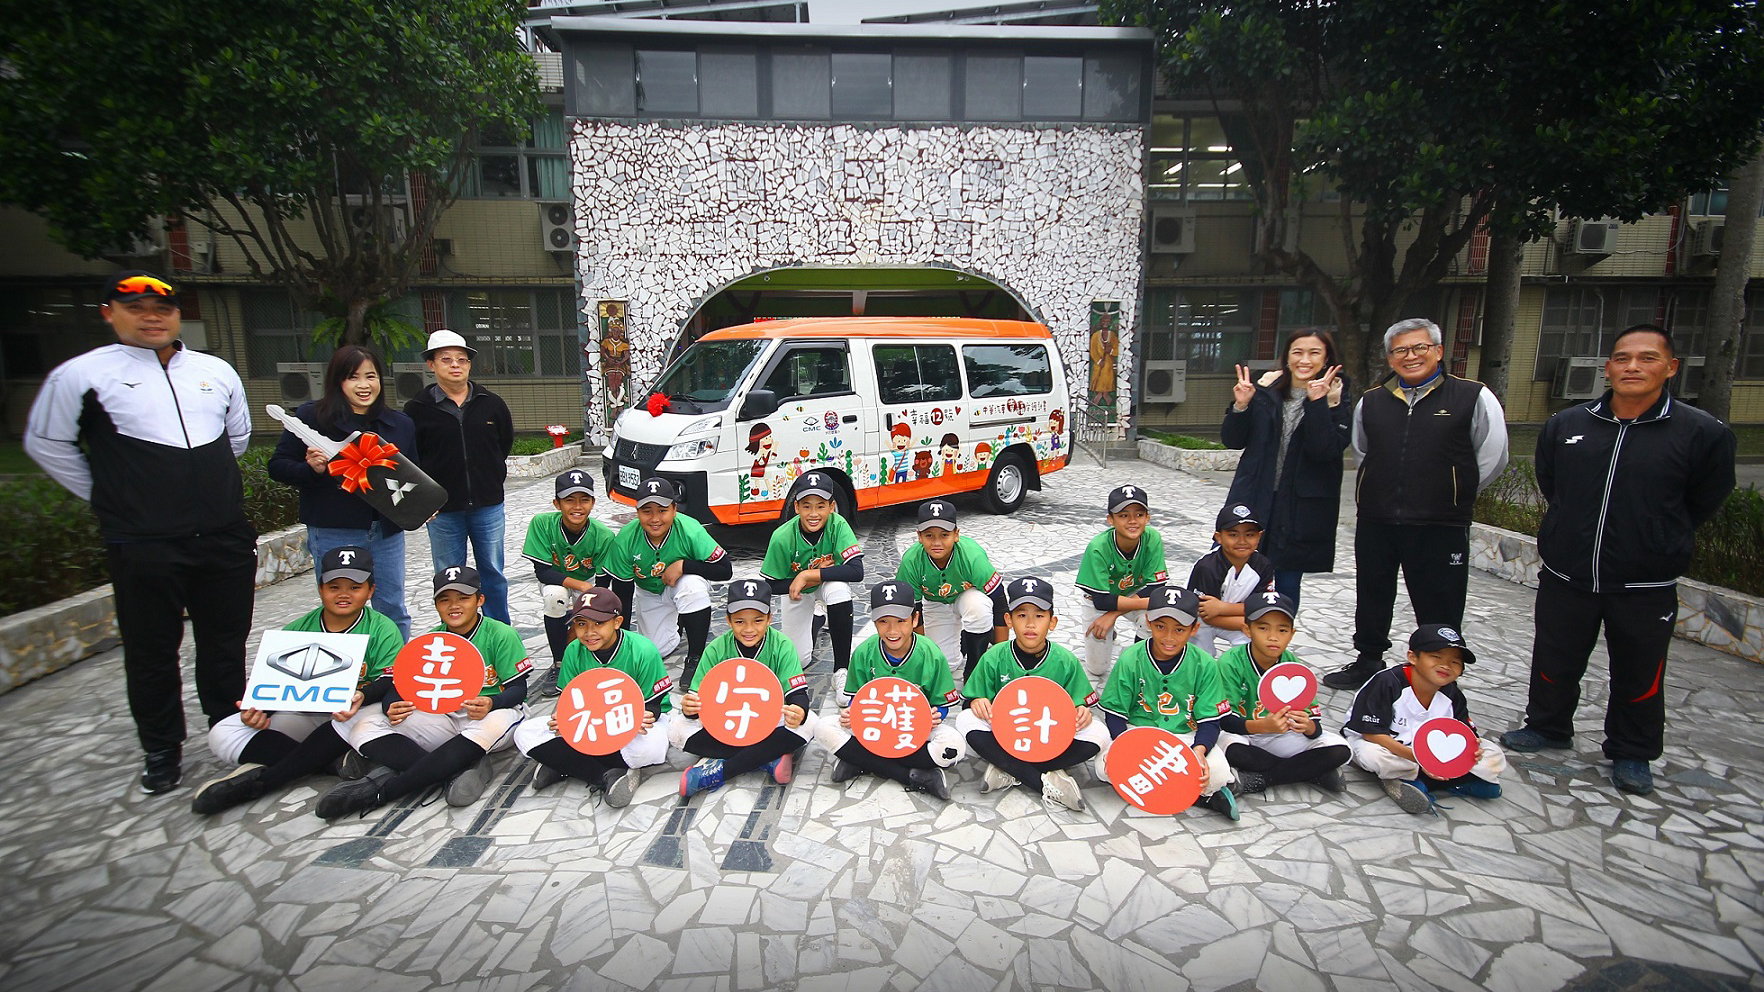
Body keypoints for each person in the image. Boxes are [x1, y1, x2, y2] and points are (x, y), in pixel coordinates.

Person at [25, 270, 255, 795]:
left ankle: (231, 730)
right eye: (136, 306)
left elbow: (236, 437)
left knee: (225, 642)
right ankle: (161, 747)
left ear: (176, 313)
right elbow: (48, 445)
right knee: (152, 649)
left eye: (163, 306)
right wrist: (115, 499)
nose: (152, 316)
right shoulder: (81, 376)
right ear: (109, 311)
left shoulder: (215, 370)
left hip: (223, 536)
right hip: (144, 542)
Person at [1501, 324, 1737, 796]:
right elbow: (1553, 486)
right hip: (1568, 573)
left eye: (1647, 358)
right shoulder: (1568, 425)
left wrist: (1657, 537)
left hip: (1644, 584)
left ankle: (1632, 749)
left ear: (1670, 368)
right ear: (1607, 368)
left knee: (1639, 668)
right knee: (1555, 656)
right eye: (1622, 358)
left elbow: (1704, 499)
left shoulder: (1700, 433)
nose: (1633, 367)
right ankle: (1548, 725)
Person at [1323, 318, 1509, 691]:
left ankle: (1441, 667)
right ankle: (1368, 658)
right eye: (1400, 351)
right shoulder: (1372, 401)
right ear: (1390, 358)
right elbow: (1364, 452)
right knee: (1373, 591)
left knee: (1440, 598)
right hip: (1378, 518)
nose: (1411, 357)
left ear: (1439, 351)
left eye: (1420, 348)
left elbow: (1491, 457)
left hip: (1441, 523)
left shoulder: (1472, 396)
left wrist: (1453, 491)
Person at [190, 546, 403, 814]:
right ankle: (333, 762)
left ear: (370, 591)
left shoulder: (382, 627)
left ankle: (267, 780)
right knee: (223, 732)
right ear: (320, 588)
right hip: (306, 713)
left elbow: (389, 679)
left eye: (355, 587)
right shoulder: (298, 628)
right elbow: (272, 684)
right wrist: (258, 710)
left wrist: (363, 696)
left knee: (366, 722)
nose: (344, 594)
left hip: (347, 716)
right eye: (334, 586)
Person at [316, 565, 531, 818]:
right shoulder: (430, 639)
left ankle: (382, 791)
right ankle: (457, 769)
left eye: (463, 598)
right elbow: (399, 688)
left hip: (491, 714)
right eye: (445, 600)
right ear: (436, 604)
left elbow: (519, 689)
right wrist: (391, 705)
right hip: (443, 717)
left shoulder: (500, 633)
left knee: (494, 724)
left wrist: (492, 702)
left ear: (479, 600)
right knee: (365, 725)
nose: (454, 606)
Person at [268, 345, 417, 638]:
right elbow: (278, 466)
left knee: (392, 607)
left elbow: (411, 476)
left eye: (370, 376)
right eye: (353, 377)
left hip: (386, 532)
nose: (364, 385)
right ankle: (345, 673)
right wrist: (312, 469)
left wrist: (422, 505)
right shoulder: (312, 417)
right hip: (334, 529)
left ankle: (393, 676)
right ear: (338, 381)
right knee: (342, 608)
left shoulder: (400, 424)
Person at [1220, 329, 1352, 605]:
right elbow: (1233, 440)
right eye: (1297, 352)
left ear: (1326, 358)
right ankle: (1241, 643)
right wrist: (1241, 405)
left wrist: (1317, 404)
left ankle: (1274, 645)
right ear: (1286, 357)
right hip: (1257, 496)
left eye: (1314, 352)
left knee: (1286, 583)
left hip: (1299, 506)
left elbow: (1323, 450)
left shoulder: (1336, 397)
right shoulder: (1266, 391)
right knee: (1237, 575)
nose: (1305, 360)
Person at [957, 577, 1109, 812]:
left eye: (1039, 616)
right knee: (965, 720)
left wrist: (1082, 712)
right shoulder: (995, 655)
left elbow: (1081, 703)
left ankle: (1007, 767)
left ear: (1052, 622)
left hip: (1049, 736)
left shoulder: (1065, 660)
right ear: (1008, 620)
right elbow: (970, 699)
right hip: (1006, 733)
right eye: (1021, 615)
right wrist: (978, 701)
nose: (1030, 624)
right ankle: (1045, 780)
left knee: (1099, 732)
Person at [513, 587, 671, 807]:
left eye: (599, 623)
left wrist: (642, 716)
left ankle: (562, 763)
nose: (589, 632)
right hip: (591, 723)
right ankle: (605, 775)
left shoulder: (642, 649)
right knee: (524, 733)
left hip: (628, 721)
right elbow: (568, 699)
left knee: (652, 747)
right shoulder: (573, 650)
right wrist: (562, 718)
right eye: (581, 624)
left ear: (617, 622)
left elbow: (655, 704)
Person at [1094, 586, 1240, 820]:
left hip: (1184, 735)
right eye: (1161, 626)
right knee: (1104, 768)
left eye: (1179, 629)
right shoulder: (1131, 657)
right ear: (1149, 622)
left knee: (1218, 773)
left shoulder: (1204, 663)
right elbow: (1115, 713)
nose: (1169, 637)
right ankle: (1199, 795)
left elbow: (1210, 720)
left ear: (1194, 629)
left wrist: (1199, 751)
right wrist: (1123, 746)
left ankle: (1194, 789)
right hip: (1137, 732)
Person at [816, 580, 964, 800]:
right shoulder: (865, 652)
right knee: (823, 727)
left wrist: (935, 715)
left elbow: (941, 704)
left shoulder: (930, 653)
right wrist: (851, 713)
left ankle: (857, 760)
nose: (892, 630)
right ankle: (913, 775)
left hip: (914, 729)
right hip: (875, 728)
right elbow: (857, 698)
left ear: (914, 619)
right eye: (883, 621)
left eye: (901, 621)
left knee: (953, 747)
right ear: (874, 621)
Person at [405, 329, 515, 623]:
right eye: (446, 359)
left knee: (492, 572)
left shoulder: (491, 404)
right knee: (448, 577)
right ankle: (455, 635)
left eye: (462, 359)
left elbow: (502, 446)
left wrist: (487, 479)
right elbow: (411, 459)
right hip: (442, 510)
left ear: (469, 364)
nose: (455, 365)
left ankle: (498, 632)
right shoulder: (416, 410)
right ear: (431, 364)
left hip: (487, 505)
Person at [672, 579, 818, 797]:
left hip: (768, 722)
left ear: (769, 618)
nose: (749, 629)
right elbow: (696, 700)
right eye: (740, 621)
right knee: (675, 729)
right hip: (725, 724)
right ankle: (767, 758)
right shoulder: (716, 648)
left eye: (758, 620)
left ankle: (720, 771)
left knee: (811, 723)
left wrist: (799, 710)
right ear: (728, 621)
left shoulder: (782, 645)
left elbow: (797, 694)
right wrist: (689, 709)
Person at [1343, 624, 1507, 814]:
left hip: (1433, 752)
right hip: (1389, 746)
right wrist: (1421, 759)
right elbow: (1372, 733)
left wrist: (1472, 749)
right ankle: (1426, 780)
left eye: (1455, 662)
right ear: (1413, 657)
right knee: (1373, 755)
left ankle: (1422, 782)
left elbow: (1465, 733)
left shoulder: (1453, 694)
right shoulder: (1387, 682)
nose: (1445, 665)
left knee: (1491, 753)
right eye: (1436, 657)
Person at [1211, 591, 1350, 796]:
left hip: (1282, 735)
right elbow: (1224, 720)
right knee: (1233, 751)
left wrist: (1308, 726)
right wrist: (1260, 726)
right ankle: (1311, 772)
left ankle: (1263, 779)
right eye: (1263, 628)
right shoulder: (1231, 662)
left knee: (1340, 749)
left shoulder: (1292, 664)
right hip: (1245, 734)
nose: (1273, 637)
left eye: (1282, 630)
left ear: (1292, 634)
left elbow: (1315, 726)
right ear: (1247, 630)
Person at [611, 477, 733, 688]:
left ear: (674, 509)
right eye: (646, 511)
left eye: (662, 510)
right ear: (637, 511)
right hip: (649, 591)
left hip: (680, 584)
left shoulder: (690, 529)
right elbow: (622, 590)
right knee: (656, 650)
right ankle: (679, 624)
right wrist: (624, 642)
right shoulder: (626, 538)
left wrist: (684, 566)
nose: (655, 518)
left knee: (692, 589)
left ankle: (695, 658)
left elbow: (725, 569)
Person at [521, 469, 618, 696]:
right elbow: (543, 572)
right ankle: (558, 663)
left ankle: (588, 656)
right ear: (557, 503)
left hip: (591, 580)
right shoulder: (542, 523)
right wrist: (582, 587)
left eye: (584, 500)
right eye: (569, 500)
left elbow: (603, 580)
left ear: (593, 503)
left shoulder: (602, 534)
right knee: (555, 597)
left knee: (589, 616)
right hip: (558, 580)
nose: (577, 506)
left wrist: (585, 606)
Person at [761, 472, 864, 675]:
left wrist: (808, 575)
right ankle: (819, 618)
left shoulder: (838, 524)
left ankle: (841, 670)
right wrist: (804, 578)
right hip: (797, 591)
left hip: (822, 583)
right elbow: (770, 585)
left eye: (820, 505)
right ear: (796, 507)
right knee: (798, 661)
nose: (813, 513)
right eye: (806, 506)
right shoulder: (782, 536)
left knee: (839, 590)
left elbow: (856, 571)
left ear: (831, 507)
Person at [895, 500, 1007, 685]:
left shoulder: (972, 555)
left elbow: (1000, 603)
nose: (937, 542)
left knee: (979, 609)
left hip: (967, 597)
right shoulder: (911, 560)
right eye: (929, 535)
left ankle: (974, 665)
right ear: (919, 537)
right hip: (934, 602)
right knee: (944, 664)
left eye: (944, 535)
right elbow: (913, 613)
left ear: (956, 535)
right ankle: (969, 637)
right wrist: (923, 656)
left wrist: (1002, 653)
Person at [1074, 484, 1169, 680]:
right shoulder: (1097, 547)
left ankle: (1137, 662)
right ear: (1111, 520)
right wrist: (1110, 612)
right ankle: (1110, 636)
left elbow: (1155, 587)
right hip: (1097, 599)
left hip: (1132, 594)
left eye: (1139, 514)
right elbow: (1101, 601)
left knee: (1151, 618)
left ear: (1147, 518)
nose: (1133, 521)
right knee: (1097, 669)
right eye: (1124, 515)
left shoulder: (1152, 538)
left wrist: (1114, 614)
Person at [1187, 503, 1276, 656]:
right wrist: (1248, 621)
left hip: (1235, 617)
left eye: (1249, 534)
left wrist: (1223, 608)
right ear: (1218, 537)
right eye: (1233, 534)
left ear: (1259, 536)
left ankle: (1241, 673)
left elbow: (1263, 607)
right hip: (1200, 620)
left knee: (1255, 640)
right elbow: (1205, 614)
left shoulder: (1263, 565)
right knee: (1201, 656)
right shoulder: (1208, 567)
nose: (1242, 541)